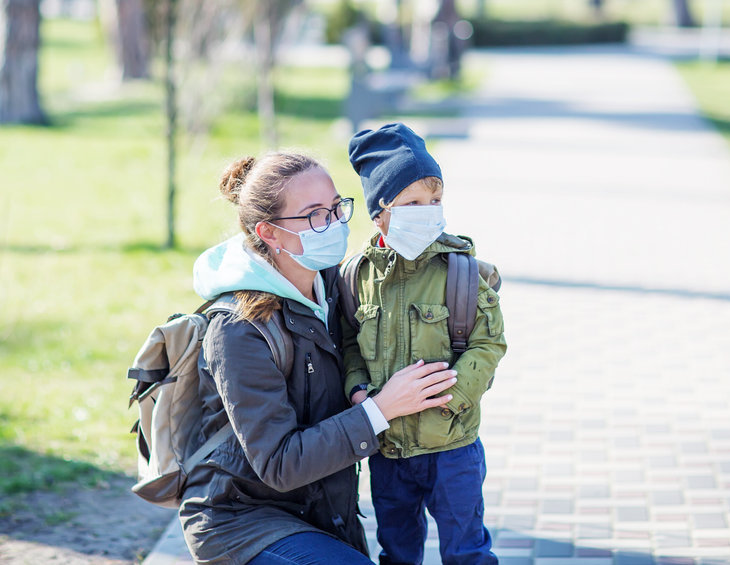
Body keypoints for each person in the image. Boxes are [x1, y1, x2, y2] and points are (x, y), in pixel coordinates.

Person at [180, 151, 459, 565]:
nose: (333, 225)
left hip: (321, 512)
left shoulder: (334, 285)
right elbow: (279, 463)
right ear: (269, 233)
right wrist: (381, 409)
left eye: (335, 208)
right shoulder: (238, 330)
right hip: (243, 521)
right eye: (314, 215)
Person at [343, 123, 508, 565]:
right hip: (390, 452)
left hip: (452, 446)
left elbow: (488, 343)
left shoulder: (462, 271)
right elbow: (348, 344)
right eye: (412, 202)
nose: (428, 211)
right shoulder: (358, 278)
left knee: (467, 552)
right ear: (380, 214)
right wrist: (358, 391)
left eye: (434, 201)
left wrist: (452, 397)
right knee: (397, 552)